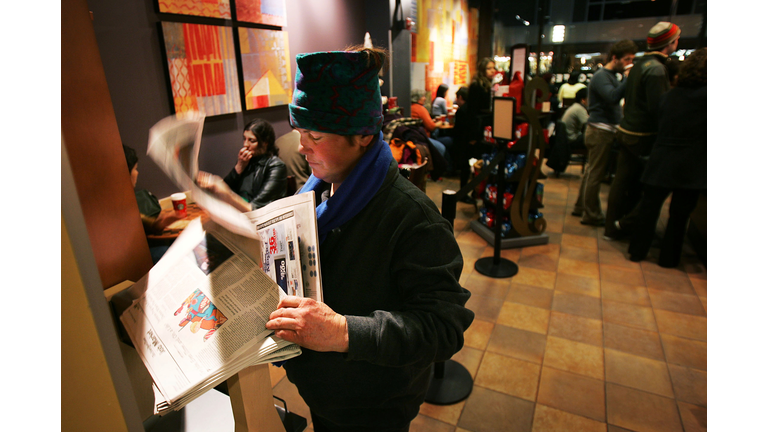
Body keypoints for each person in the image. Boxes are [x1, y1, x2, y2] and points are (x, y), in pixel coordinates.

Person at [265, 46, 474, 432]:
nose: (301, 146)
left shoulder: (412, 219)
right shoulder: (316, 192)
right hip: (323, 390)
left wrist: (343, 331)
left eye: (315, 134)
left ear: (363, 135)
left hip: (374, 404)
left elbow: (445, 327)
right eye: (299, 132)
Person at [627, 48, 706, 267]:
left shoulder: (668, 97)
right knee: (679, 216)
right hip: (693, 161)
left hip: (662, 158)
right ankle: (669, 259)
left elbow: (659, 123)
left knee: (649, 210)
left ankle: (637, 251)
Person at [604, 21, 681, 240]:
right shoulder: (656, 69)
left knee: (622, 183)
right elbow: (659, 109)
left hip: (628, 131)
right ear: (670, 42)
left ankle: (614, 227)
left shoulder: (640, 65)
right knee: (641, 187)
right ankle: (625, 227)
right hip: (642, 136)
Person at [572, 39, 638, 225]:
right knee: (595, 174)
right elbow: (612, 97)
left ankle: (580, 207)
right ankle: (591, 214)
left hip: (602, 129)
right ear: (615, 58)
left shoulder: (609, 75)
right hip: (600, 130)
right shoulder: (602, 76)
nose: (629, 63)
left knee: (592, 172)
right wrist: (628, 78)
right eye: (627, 59)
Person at [198, 118, 287, 212]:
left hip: (257, 218)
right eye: (244, 139)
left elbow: (256, 208)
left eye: (251, 141)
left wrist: (226, 194)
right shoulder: (246, 161)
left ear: (265, 143)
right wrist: (238, 167)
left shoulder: (276, 166)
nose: (245, 145)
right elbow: (225, 189)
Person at [123, 144, 183, 263]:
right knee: (167, 253)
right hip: (128, 259)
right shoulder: (113, 206)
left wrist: (160, 222)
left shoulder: (124, 200)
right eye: (135, 169)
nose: (137, 173)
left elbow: (141, 221)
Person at [411, 88, 454, 172]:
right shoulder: (420, 109)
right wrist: (439, 123)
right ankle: (447, 170)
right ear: (418, 98)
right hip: (424, 138)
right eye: (423, 96)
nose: (425, 98)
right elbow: (431, 127)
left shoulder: (411, 107)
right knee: (444, 146)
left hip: (417, 137)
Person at [467, 57, 496, 143]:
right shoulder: (477, 85)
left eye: (494, 68)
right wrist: (472, 135)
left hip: (488, 123)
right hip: (479, 125)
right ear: (483, 70)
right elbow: (472, 110)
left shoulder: (493, 84)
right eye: (489, 68)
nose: (492, 71)